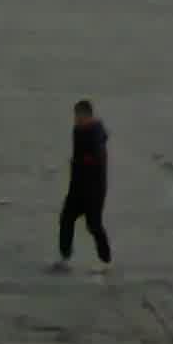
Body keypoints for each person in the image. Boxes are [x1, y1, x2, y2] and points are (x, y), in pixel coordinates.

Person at [53, 98, 110, 269]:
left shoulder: (94, 132)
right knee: (66, 219)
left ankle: (106, 260)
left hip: (94, 189)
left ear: (87, 115)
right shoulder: (78, 130)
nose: (75, 119)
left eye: (78, 116)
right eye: (75, 116)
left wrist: (82, 162)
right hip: (77, 187)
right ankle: (65, 257)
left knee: (93, 225)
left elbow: (96, 159)